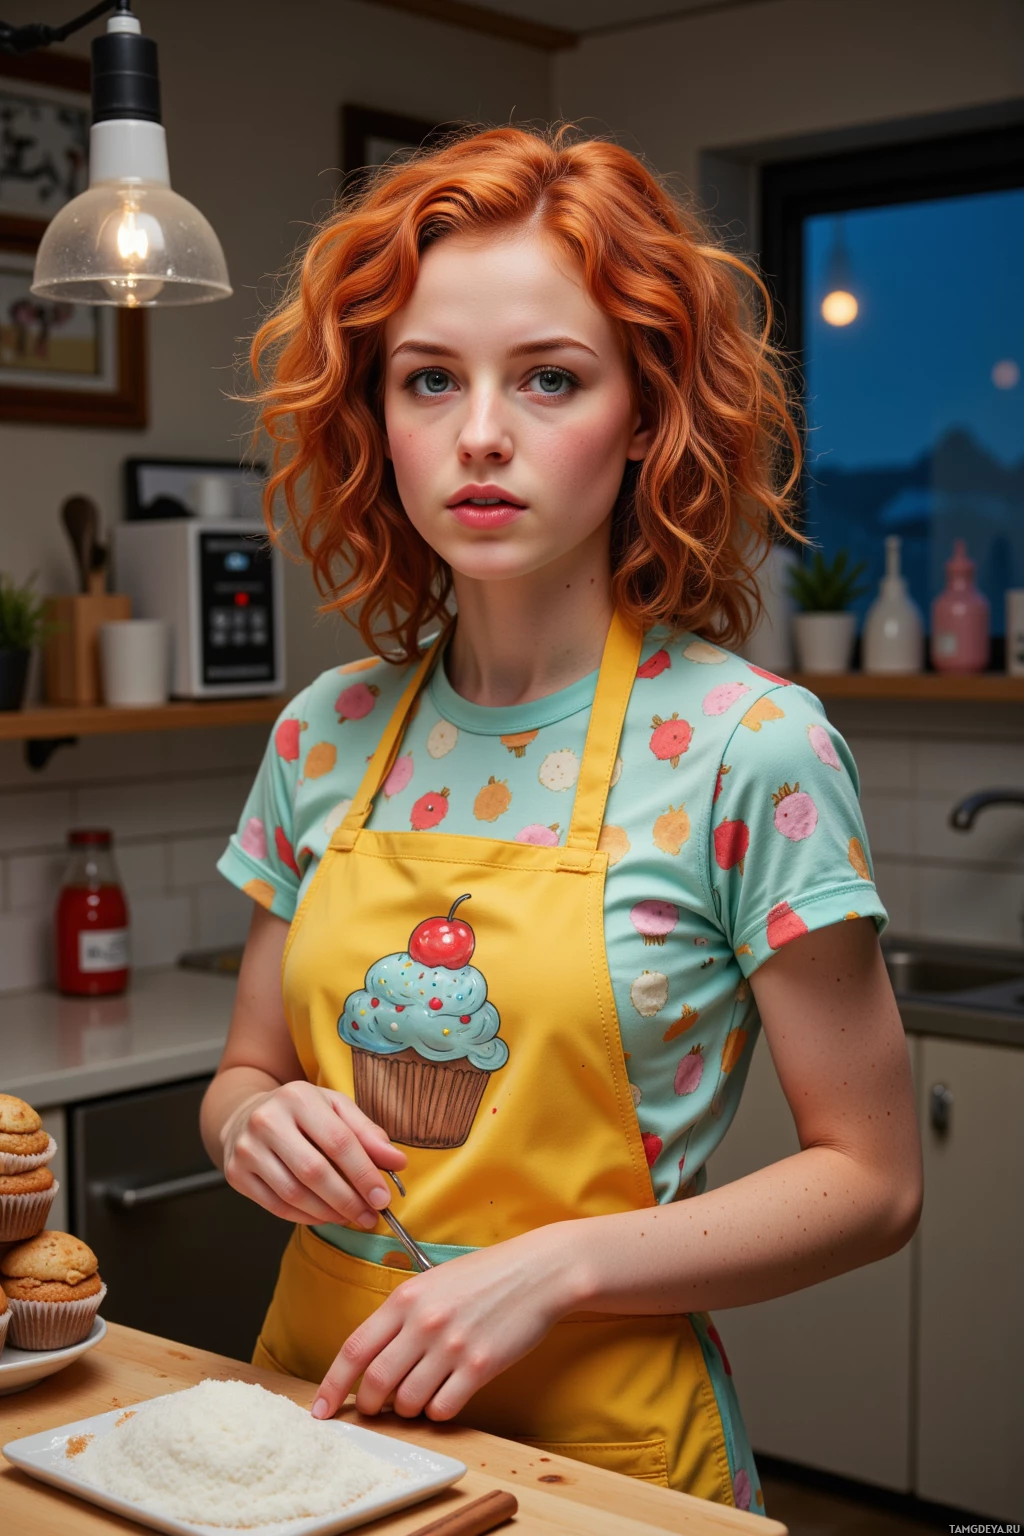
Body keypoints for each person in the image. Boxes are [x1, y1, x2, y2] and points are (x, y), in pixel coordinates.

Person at [200, 125, 922, 1514]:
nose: (481, 432)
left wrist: (557, 1266)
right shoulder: (322, 732)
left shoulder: (746, 750)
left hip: (606, 1461)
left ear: (646, 415)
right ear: (378, 419)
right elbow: (243, 1069)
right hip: (314, 1422)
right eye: (428, 379)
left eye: (549, 377)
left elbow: (875, 1182)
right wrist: (250, 1129)